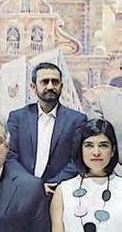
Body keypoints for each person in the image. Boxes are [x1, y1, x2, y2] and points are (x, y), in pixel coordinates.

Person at [7, 62, 87, 195]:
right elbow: (10, 156)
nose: (50, 86)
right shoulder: (18, 118)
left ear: (61, 86)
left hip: (59, 192)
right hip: (22, 191)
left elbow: (77, 160)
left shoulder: (77, 120)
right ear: (33, 87)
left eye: (55, 82)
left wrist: (53, 184)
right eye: (45, 82)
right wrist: (33, 186)